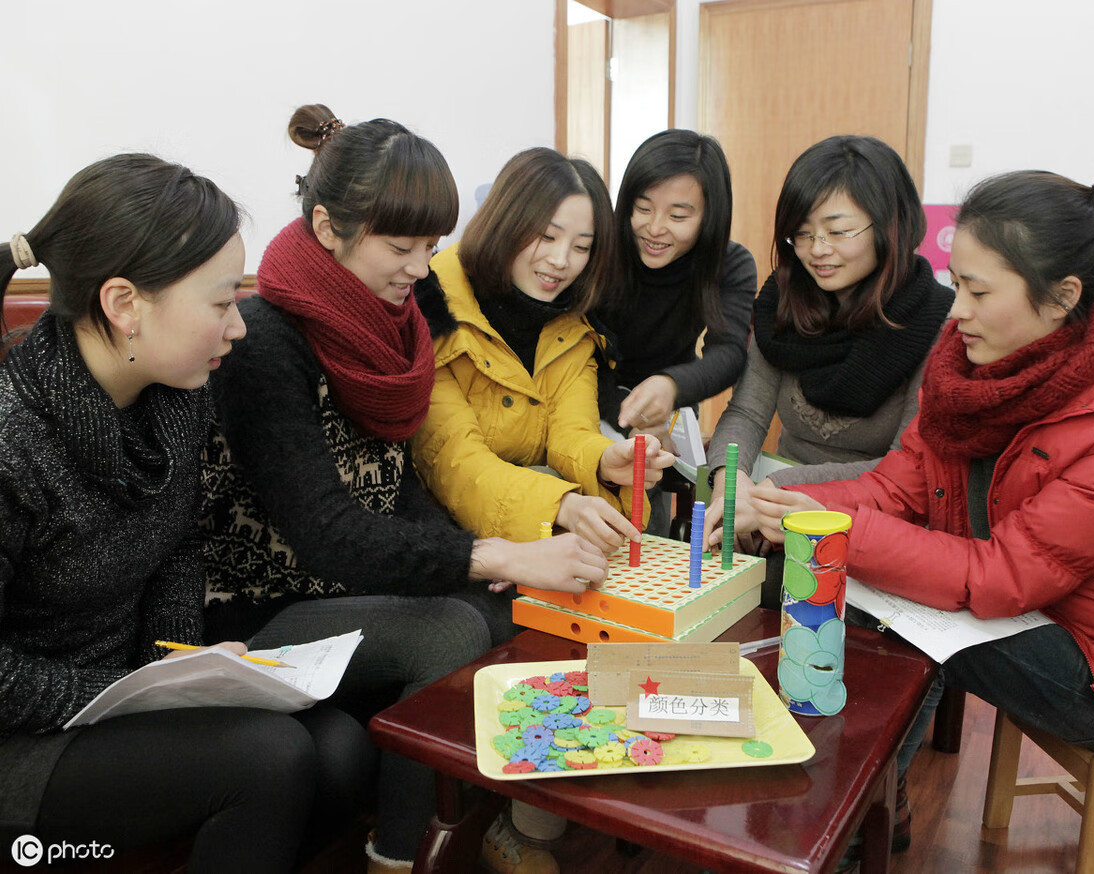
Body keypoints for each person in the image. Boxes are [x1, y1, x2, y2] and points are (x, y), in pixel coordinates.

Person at [740, 161, 1094, 856]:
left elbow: (998, 578)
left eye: (978, 291)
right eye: (957, 285)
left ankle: (835, 821)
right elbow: (901, 483)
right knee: (851, 577)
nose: (956, 312)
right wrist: (790, 505)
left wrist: (835, 530)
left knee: (872, 595)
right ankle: (853, 811)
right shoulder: (980, 366)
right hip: (1051, 607)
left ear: (1061, 297)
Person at [201, 108, 608, 873]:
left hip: (340, 588)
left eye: (430, 246)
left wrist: (506, 559)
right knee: (451, 629)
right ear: (328, 227)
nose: (421, 268)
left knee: (500, 604)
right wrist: (500, 553)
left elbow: (399, 485)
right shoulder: (266, 342)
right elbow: (327, 530)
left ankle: (495, 813)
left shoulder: (394, 324)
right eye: (401, 246)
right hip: (257, 610)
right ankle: (401, 855)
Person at [0, 154, 374, 873]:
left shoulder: (173, 396)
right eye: (220, 302)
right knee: (266, 762)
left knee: (340, 749)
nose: (238, 325)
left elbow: (176, 543)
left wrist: (176, 667)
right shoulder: (15, 439)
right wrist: (133, 698)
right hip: (26, 733)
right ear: (124, 305)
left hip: (116, 694)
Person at [703, 135, 953, 600]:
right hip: (773, 518)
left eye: (837, 232)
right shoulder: (783, 301)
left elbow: (905, 470)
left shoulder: (934, 325)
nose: (816, 249)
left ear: (890, 227)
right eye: (801, 232)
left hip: (869, 531)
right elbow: (747, 414)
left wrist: (772, 494)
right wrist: (729, 483)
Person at [413, 147, 672, 555]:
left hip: (528, 506)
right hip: (449, 527)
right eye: (547, 236)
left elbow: (571, 431)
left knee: (645, 504)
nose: (560, 261)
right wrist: (562, 504)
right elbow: (454, 462)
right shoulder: (432, 307)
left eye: (582, 247)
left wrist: (606, 461)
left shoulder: (573, 323)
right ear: (506, 222)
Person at [594, 130, 756, 534]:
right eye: (642, 208)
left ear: (710, 216)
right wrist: (623, 411)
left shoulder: (729, 263)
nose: (654, 228)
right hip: (587, 397)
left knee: (646, 528)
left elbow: (728, 353)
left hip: (666, 409)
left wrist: (671, 386)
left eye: (678, 216)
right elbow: (577, 354)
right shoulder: (601, 250)